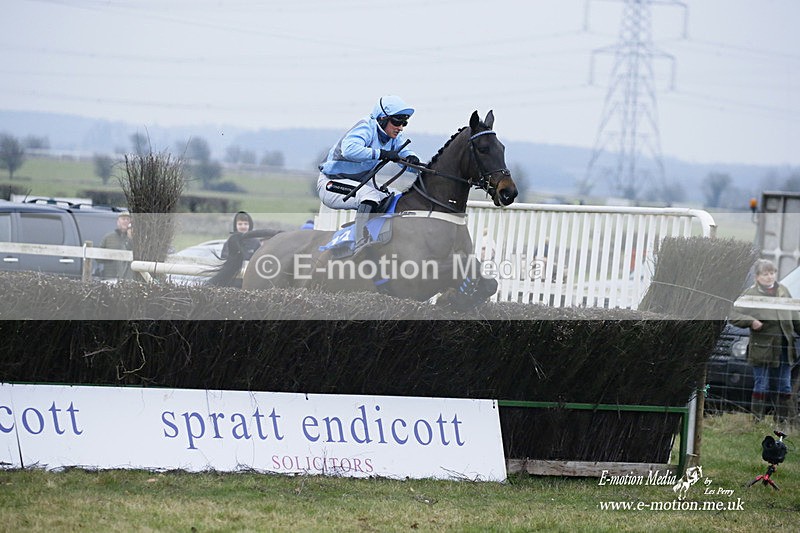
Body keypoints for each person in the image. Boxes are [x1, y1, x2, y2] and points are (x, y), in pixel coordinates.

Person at [317, 95, 421, 247]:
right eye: (397, 122)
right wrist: (381, 153)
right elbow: (349, 149)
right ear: (382, 119)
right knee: (369, 196)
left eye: (404, 122)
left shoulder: (394, 137)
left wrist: (413, 160)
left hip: (357, 184)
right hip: (332, 183)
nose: (400, 127)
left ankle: (383, 238)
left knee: (394, 196)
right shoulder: (366, 127)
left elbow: (405, 153)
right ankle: (360, 242)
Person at [730, 259, 800, 423]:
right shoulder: (751, 294)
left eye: (772, 273)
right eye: (765, 274)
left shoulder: (783, 291)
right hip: (762, 348)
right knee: (761, 384)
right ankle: (757, 421)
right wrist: (751, 322)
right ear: (757, 277)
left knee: (785, 386)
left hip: (784, 347)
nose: (770, 277)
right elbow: (734, 315)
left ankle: (783, 422)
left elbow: (795, 317)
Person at [98, 211, 133, 280]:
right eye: (123, 219)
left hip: (128, 279)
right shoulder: (108, 238)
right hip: (110, 276)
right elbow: (98, 258)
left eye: (128, 219)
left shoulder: (136, 239)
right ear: (118, 221)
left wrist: (130, 238)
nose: (125, 221)